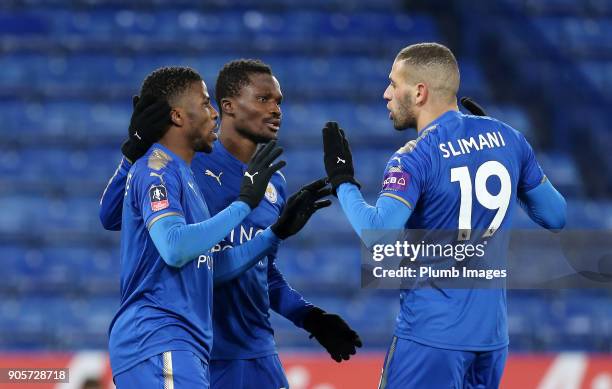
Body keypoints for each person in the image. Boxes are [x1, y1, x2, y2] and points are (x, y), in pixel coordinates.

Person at [101, 60, 361, 389]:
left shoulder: (271, 182)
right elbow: (117, 216)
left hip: (255, 348)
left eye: (279, 101)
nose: (276, 110)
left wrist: (308, 316)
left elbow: (260, 270)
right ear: (229, 107)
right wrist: (132, 153)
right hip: (198, 349)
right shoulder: (187, 164)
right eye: (264, 99)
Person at [320, 43, 567, 388]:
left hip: (431, 340)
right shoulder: (509, 138)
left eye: (394, 83)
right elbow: (556, 215)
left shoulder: (414, 156)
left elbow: (378, 233)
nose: (385, 93)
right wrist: (510, 172)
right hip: (491, 342)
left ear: (419, 92)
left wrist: (342, 181)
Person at [107, 65, 292, 388]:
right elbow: (175, 247)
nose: (214, 113)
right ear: (178, 116)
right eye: (206, 104)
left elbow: (211, 268)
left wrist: (274, 234)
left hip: (184, 342)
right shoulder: (158, 168)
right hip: (159, 336)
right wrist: (243, 205)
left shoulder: (185, 178)